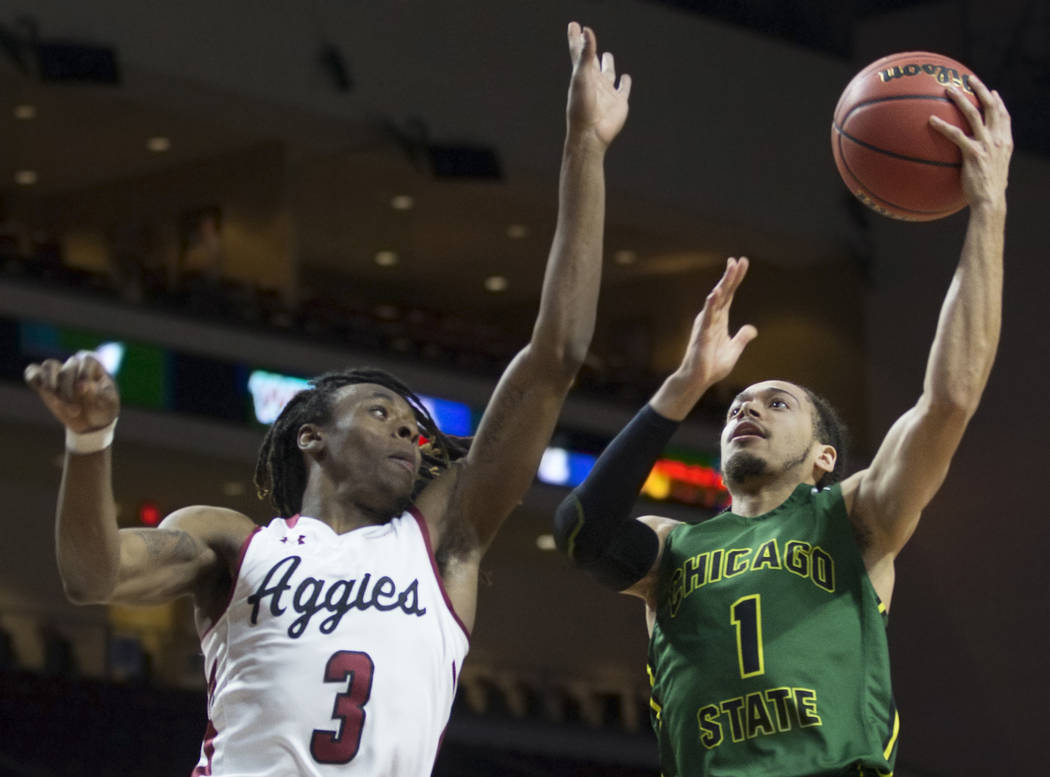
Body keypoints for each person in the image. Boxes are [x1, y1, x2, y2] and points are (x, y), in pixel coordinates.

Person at [23, 22, 631, 777]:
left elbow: (556, 357)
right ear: (312, 437)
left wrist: (585, 150)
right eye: (382, 413)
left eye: (414, 425)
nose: (410, 431)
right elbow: (91, 577)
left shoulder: (442, 539)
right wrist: (90, 444)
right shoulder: (230, 544)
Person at [553, 75, 1011, 776]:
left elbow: (947, 400)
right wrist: (681, 389)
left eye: (777, 401)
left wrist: (989, 208)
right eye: (738, 402)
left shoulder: (854, 518)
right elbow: (581, 534)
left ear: (825, 456)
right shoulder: (673, 546)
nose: (747, 406)